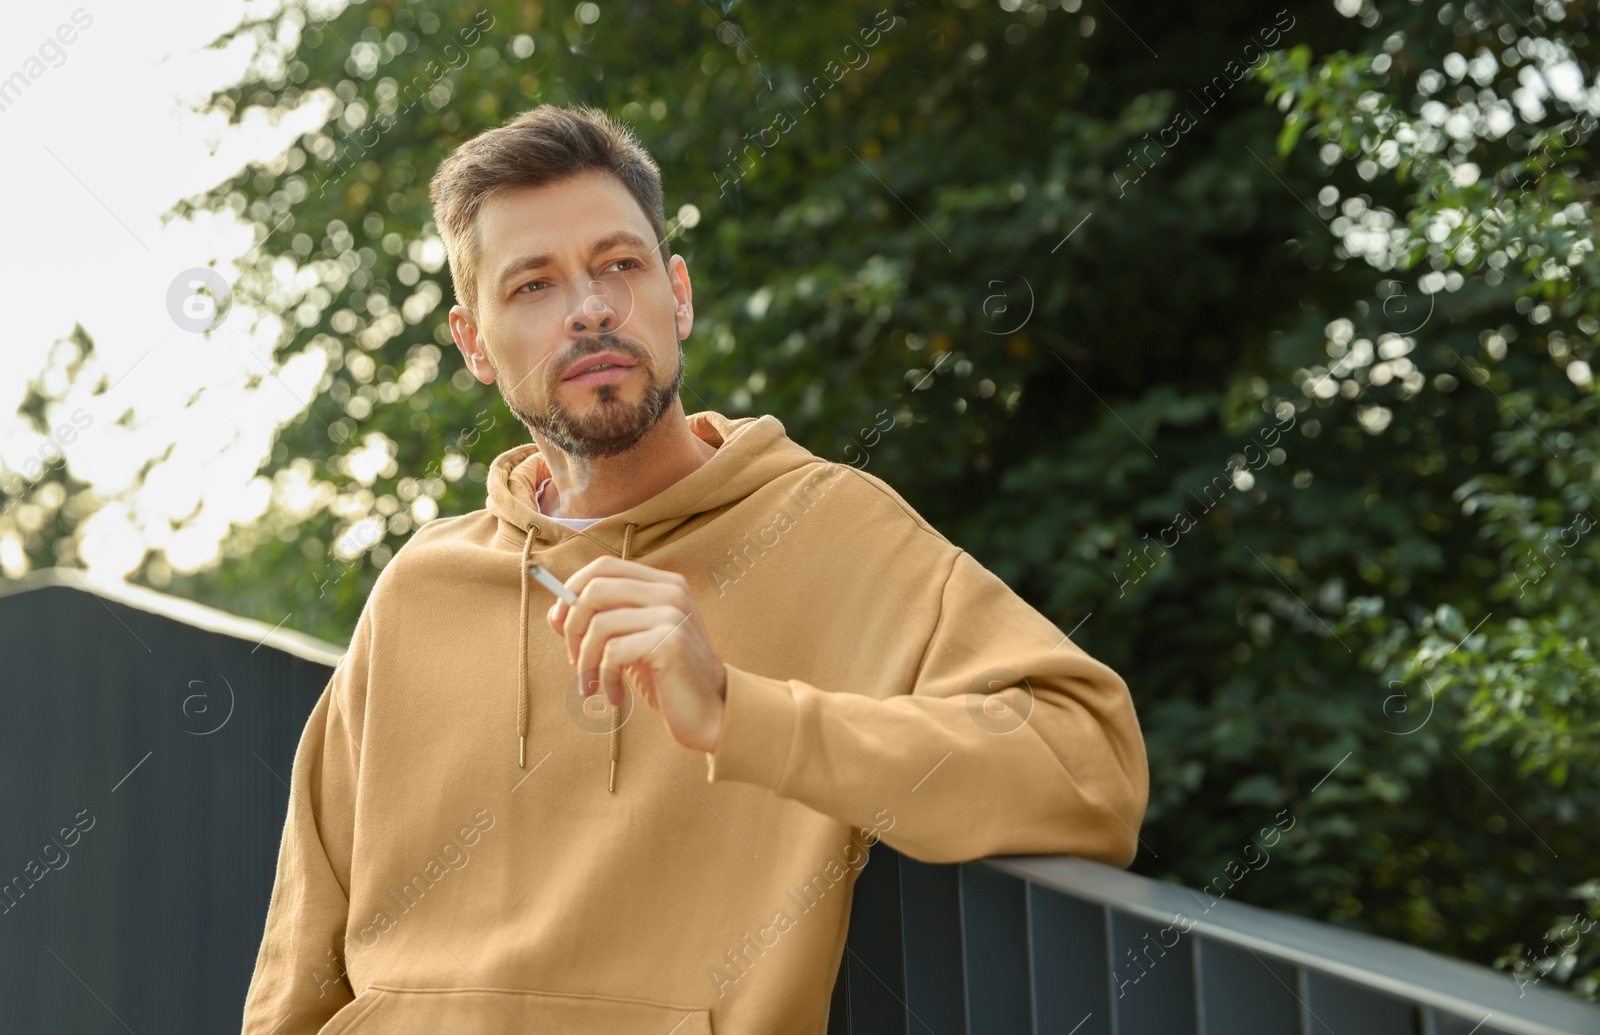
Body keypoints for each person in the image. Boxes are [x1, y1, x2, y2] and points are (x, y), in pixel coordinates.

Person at [239, 103, 1148, 1035]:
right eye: (533, 286)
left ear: (677, 294)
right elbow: (298, 969)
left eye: (618, 265)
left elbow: (1089, 767)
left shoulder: (829, 529)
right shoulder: (418, 592)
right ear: (474, 343)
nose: (590, 308)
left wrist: (737, 713)